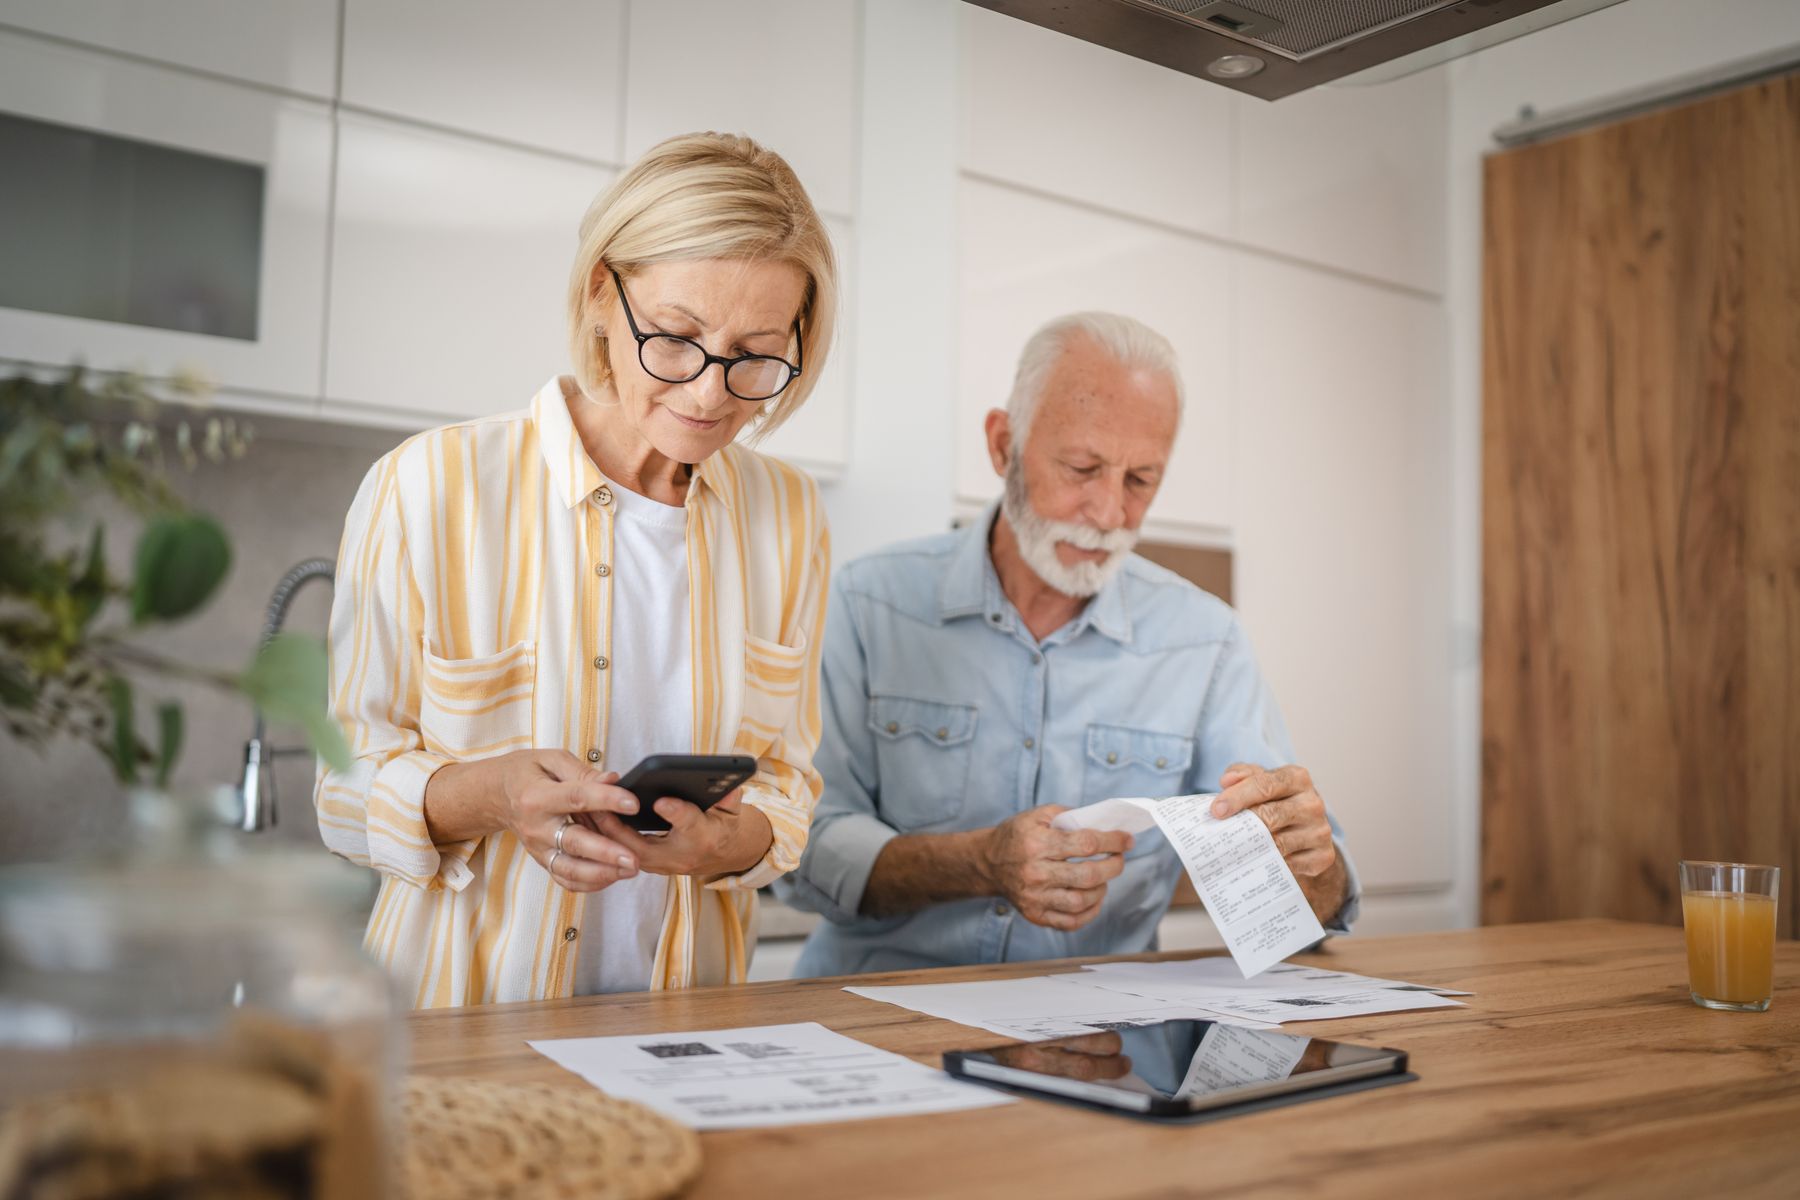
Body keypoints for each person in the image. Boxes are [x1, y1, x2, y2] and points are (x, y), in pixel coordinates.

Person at [315, 133, 835, 1008]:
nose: (710, 394)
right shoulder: (430, 486)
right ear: (604, 293)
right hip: (460, 1033)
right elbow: (341, 792)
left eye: (755, 355)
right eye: (675, 338)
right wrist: (489, 795)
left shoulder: (788, 517)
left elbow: (789, 788)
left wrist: (722, 844)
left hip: (688, 1031)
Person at [776, 312, 1359, 975]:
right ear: (1003, 446)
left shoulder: (1206, 642)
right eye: (1083, 468)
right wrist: (979, 864)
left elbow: (1310, 911)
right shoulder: (869, 603)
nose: (1109, 514)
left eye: (1141, 480)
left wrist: (1311, 862)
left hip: (1098, 1036)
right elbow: (798, 849)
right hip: (878, 1020)